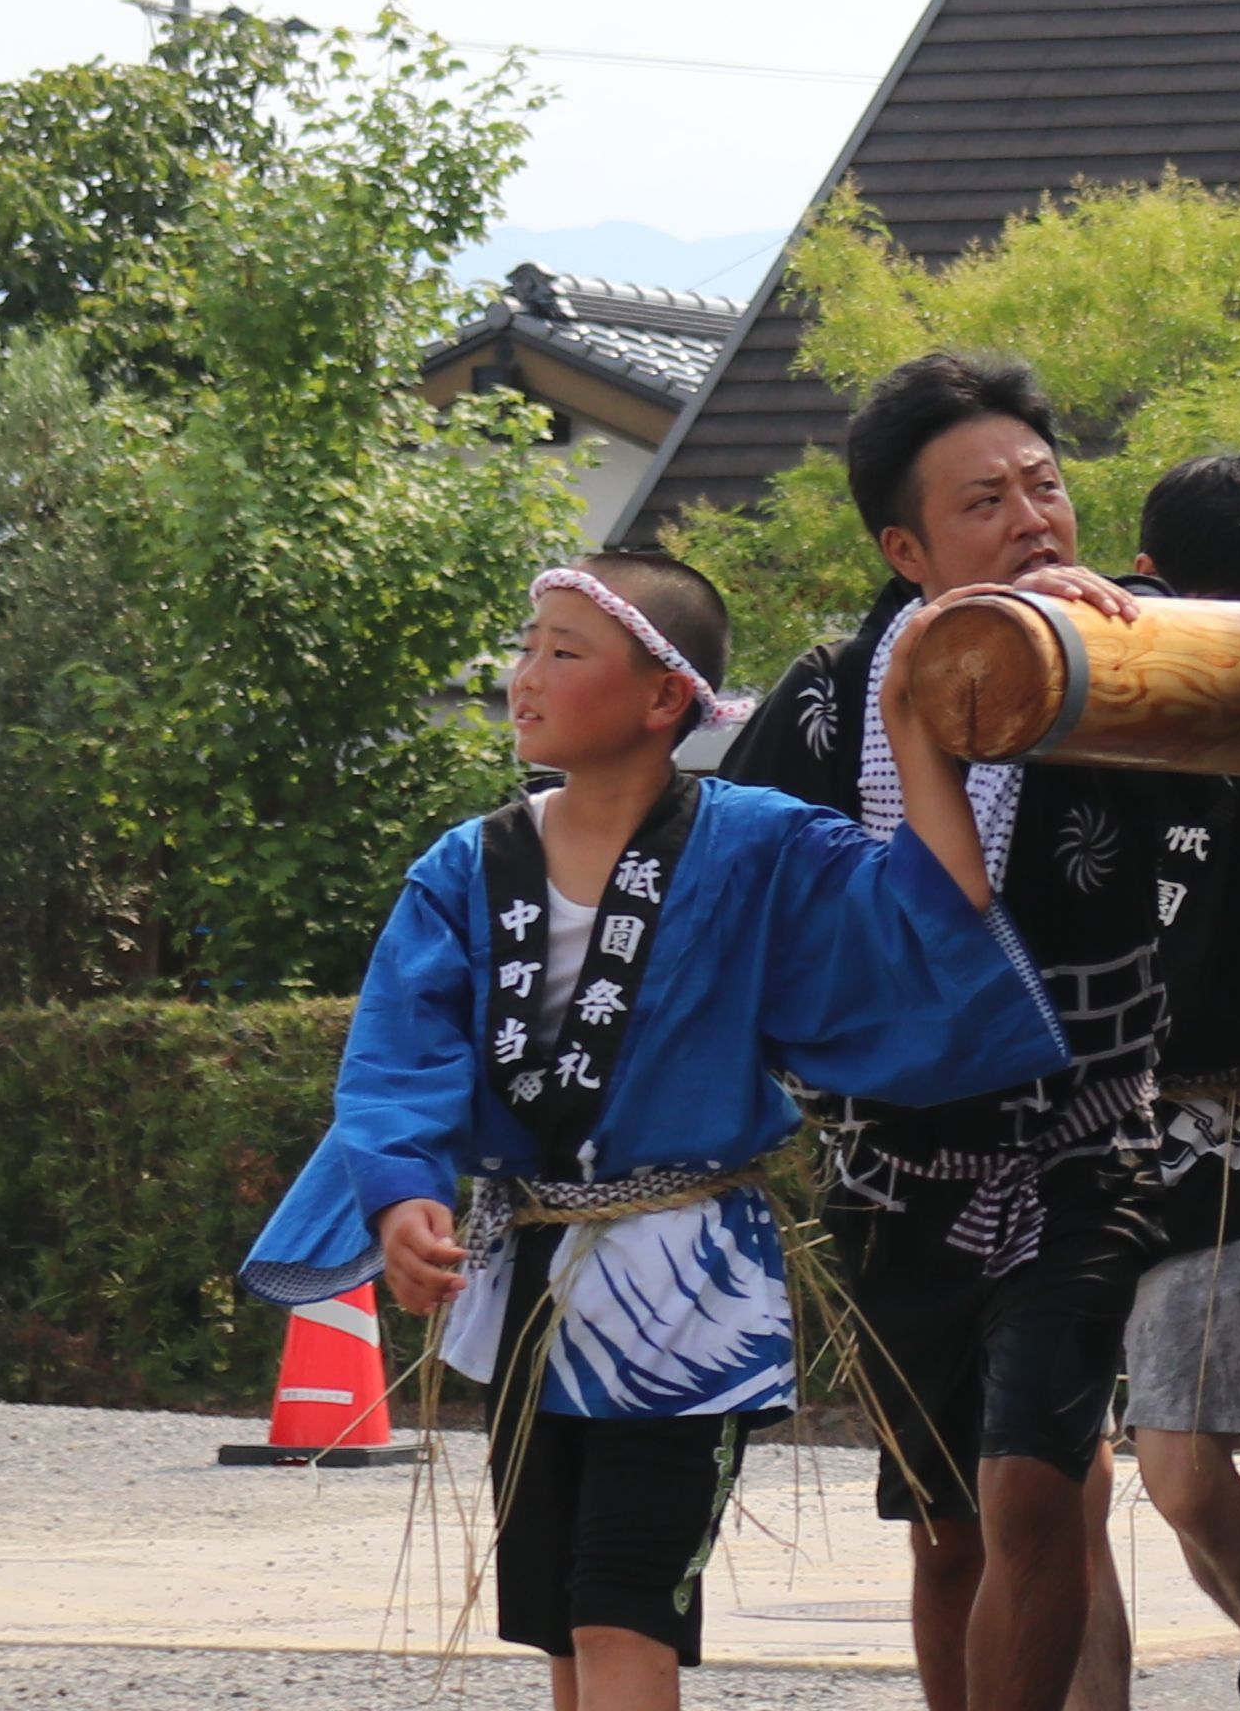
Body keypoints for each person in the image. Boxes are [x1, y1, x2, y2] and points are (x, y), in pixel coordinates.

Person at [249, 555, 1062, 1711]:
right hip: (526, 1267)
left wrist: (910, 733)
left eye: (563, 652)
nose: (524, 676)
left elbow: (930, 908)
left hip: (686, 1283)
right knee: (562, 1628)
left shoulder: (758, 842)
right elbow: (400, 1051)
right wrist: (399, 1195)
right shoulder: (466, 866)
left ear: (664, 694)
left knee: (626, 1606)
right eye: (526, 645)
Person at [726, 358, 1201, 1711]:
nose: (1034, 521)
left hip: (1083, 1152)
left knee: (1032, 1498)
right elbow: (744, 901)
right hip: (891, 1174)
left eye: (1045, 485)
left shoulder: (1136, 640)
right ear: (906, 548)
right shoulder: (823, 703)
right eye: (985, 502)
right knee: (944, 1527)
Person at [1077, 454, 1240, 1711]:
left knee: (1183, 1476)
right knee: (1050, 1478)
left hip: (1209, 1128)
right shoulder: (1078, 673)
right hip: (1047, 1128)